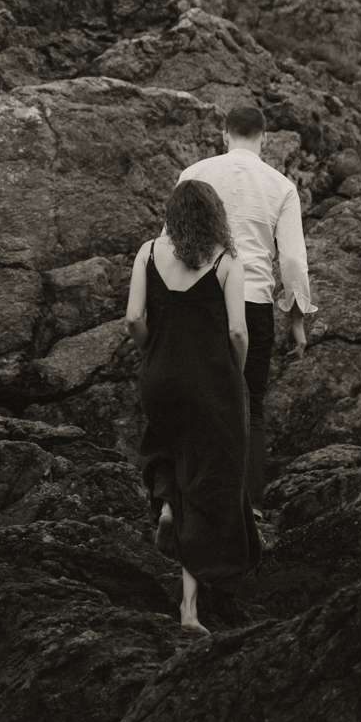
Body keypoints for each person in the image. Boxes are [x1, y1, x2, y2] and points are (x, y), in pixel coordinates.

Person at [126, 179, 261, 633]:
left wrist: (154, 351)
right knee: (210, 482)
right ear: (214, 216)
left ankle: (165, 504)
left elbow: (133, 319)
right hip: (211, 383)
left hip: (160, 379)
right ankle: (189, 609)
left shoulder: (146, 253)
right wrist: (233, 377)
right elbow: (239, 333)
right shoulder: (226, 262)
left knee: (170, 448)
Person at [177, 103, 317, 516]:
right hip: (253, 302)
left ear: (224, 134)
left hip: (198, 301)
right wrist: (296, 318)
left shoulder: (193, 174)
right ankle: (250, 504)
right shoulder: (281, 185)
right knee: (250, 405)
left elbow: (169, 245)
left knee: (199, 399)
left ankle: (199, 502)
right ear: (265, 138)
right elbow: (292, 260)